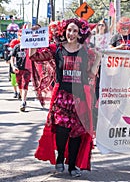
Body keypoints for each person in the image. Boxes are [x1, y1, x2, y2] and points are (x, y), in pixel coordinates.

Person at [29, 18, 101, 177]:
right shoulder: (57, 49)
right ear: (64, 31)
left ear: (80, 33)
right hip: (61, 97)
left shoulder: (87, 51)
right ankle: (60, 156)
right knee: (62, 130)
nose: (71, 33)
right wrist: (30, 42)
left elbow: (90, 74)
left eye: (75, 31)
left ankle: (73, 164)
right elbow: (35, 57)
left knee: (77, 132)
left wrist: (98, 58)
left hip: (80, 98)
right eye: (69, 30)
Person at [10, 34, 31, 112]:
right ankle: (22, 97)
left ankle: (23, 102)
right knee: (20, 85)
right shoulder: (17, 47)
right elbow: (12, 58)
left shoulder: (29, 47)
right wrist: (13, 66)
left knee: (25, 84)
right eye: (21, 36)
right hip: (18, 69)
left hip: (27, 69)